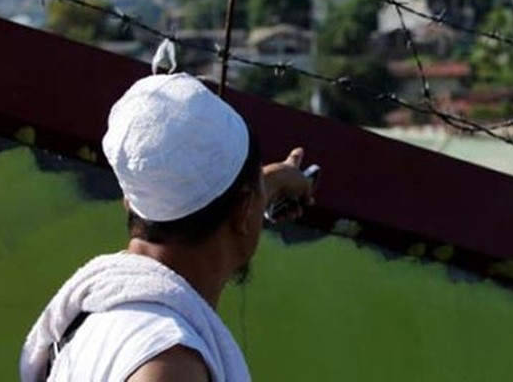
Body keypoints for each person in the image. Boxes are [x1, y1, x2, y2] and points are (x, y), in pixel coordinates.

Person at [20, 72, 314, 382]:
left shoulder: (92, 318)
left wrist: (259, 187)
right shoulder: (170, 363)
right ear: (244, 210)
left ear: (129, 202)